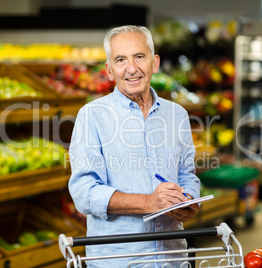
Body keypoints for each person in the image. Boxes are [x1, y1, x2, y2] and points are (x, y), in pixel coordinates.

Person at [68, 25, 201, 267]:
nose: (132, 68)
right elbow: (84, 193)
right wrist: (148, 202)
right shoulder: (92, 116)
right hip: (117, 260)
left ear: (155, 63)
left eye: (139, 57)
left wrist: (188, 198)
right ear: (109, 70)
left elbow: (187, 174)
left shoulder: (177, 115)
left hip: (173, 258)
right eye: (121, 60)